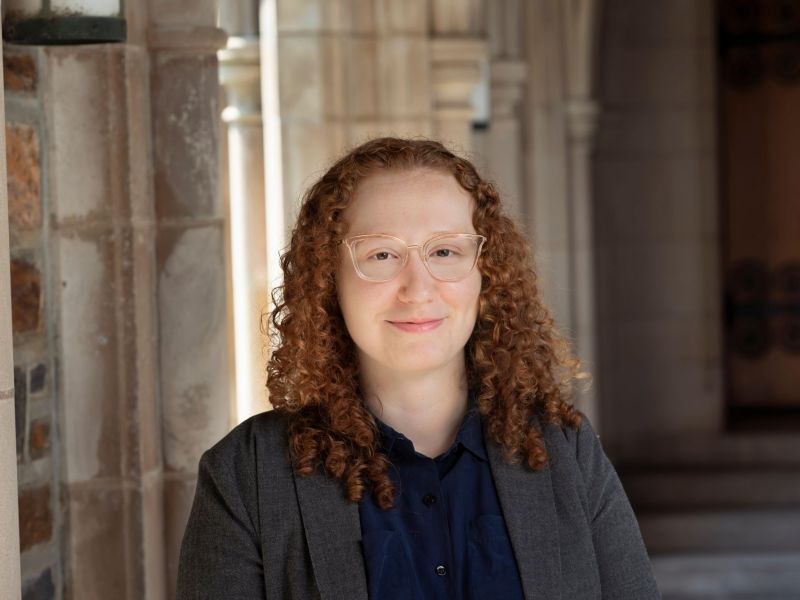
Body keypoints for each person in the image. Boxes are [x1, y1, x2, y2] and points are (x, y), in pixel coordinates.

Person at [176, 137, 661, 599]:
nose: (418, 289)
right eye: (381, 255)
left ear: (485, 274)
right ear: (328, 279)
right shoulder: (246, 476)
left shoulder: (567, 453)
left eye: (445, 251)